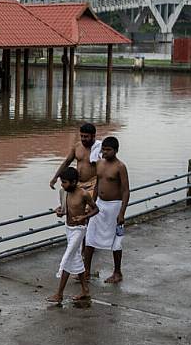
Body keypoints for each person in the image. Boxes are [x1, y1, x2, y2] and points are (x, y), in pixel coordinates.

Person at [47, 167, 97, 304]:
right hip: (68, 228)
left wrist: (84, 216)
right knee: (75, 259)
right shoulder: (64, 192)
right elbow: (64, 210)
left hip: (79, 229)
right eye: (62, 182)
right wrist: (59, 211)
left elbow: (96, 209)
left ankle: (59, 293)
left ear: (74, 182)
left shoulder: (84, 194)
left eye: (65, 182)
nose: (62, 185)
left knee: (67, 258)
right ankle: (85, 290)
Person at [84, 136, 129, 284]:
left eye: (108, 150)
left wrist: (122, 212)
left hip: (114, 206)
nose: (105, 152)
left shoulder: (120, 167)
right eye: (103, 149)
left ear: (116, 151)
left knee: (116, 241)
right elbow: (97, 185)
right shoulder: (100, 164)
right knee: (90, 237)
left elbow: (125, 191)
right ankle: (85, 271)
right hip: (99, 205)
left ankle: (117, 272)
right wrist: (92, 204)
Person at [49, 123, 102, 195]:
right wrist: (55, 178)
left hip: (92, 184)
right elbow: (67, 162)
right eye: (81, 136)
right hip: (77, 183)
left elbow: (106, 168)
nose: (83, 139)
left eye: (86, 137)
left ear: (93, 136)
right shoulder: (77, 146)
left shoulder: (100, 149)